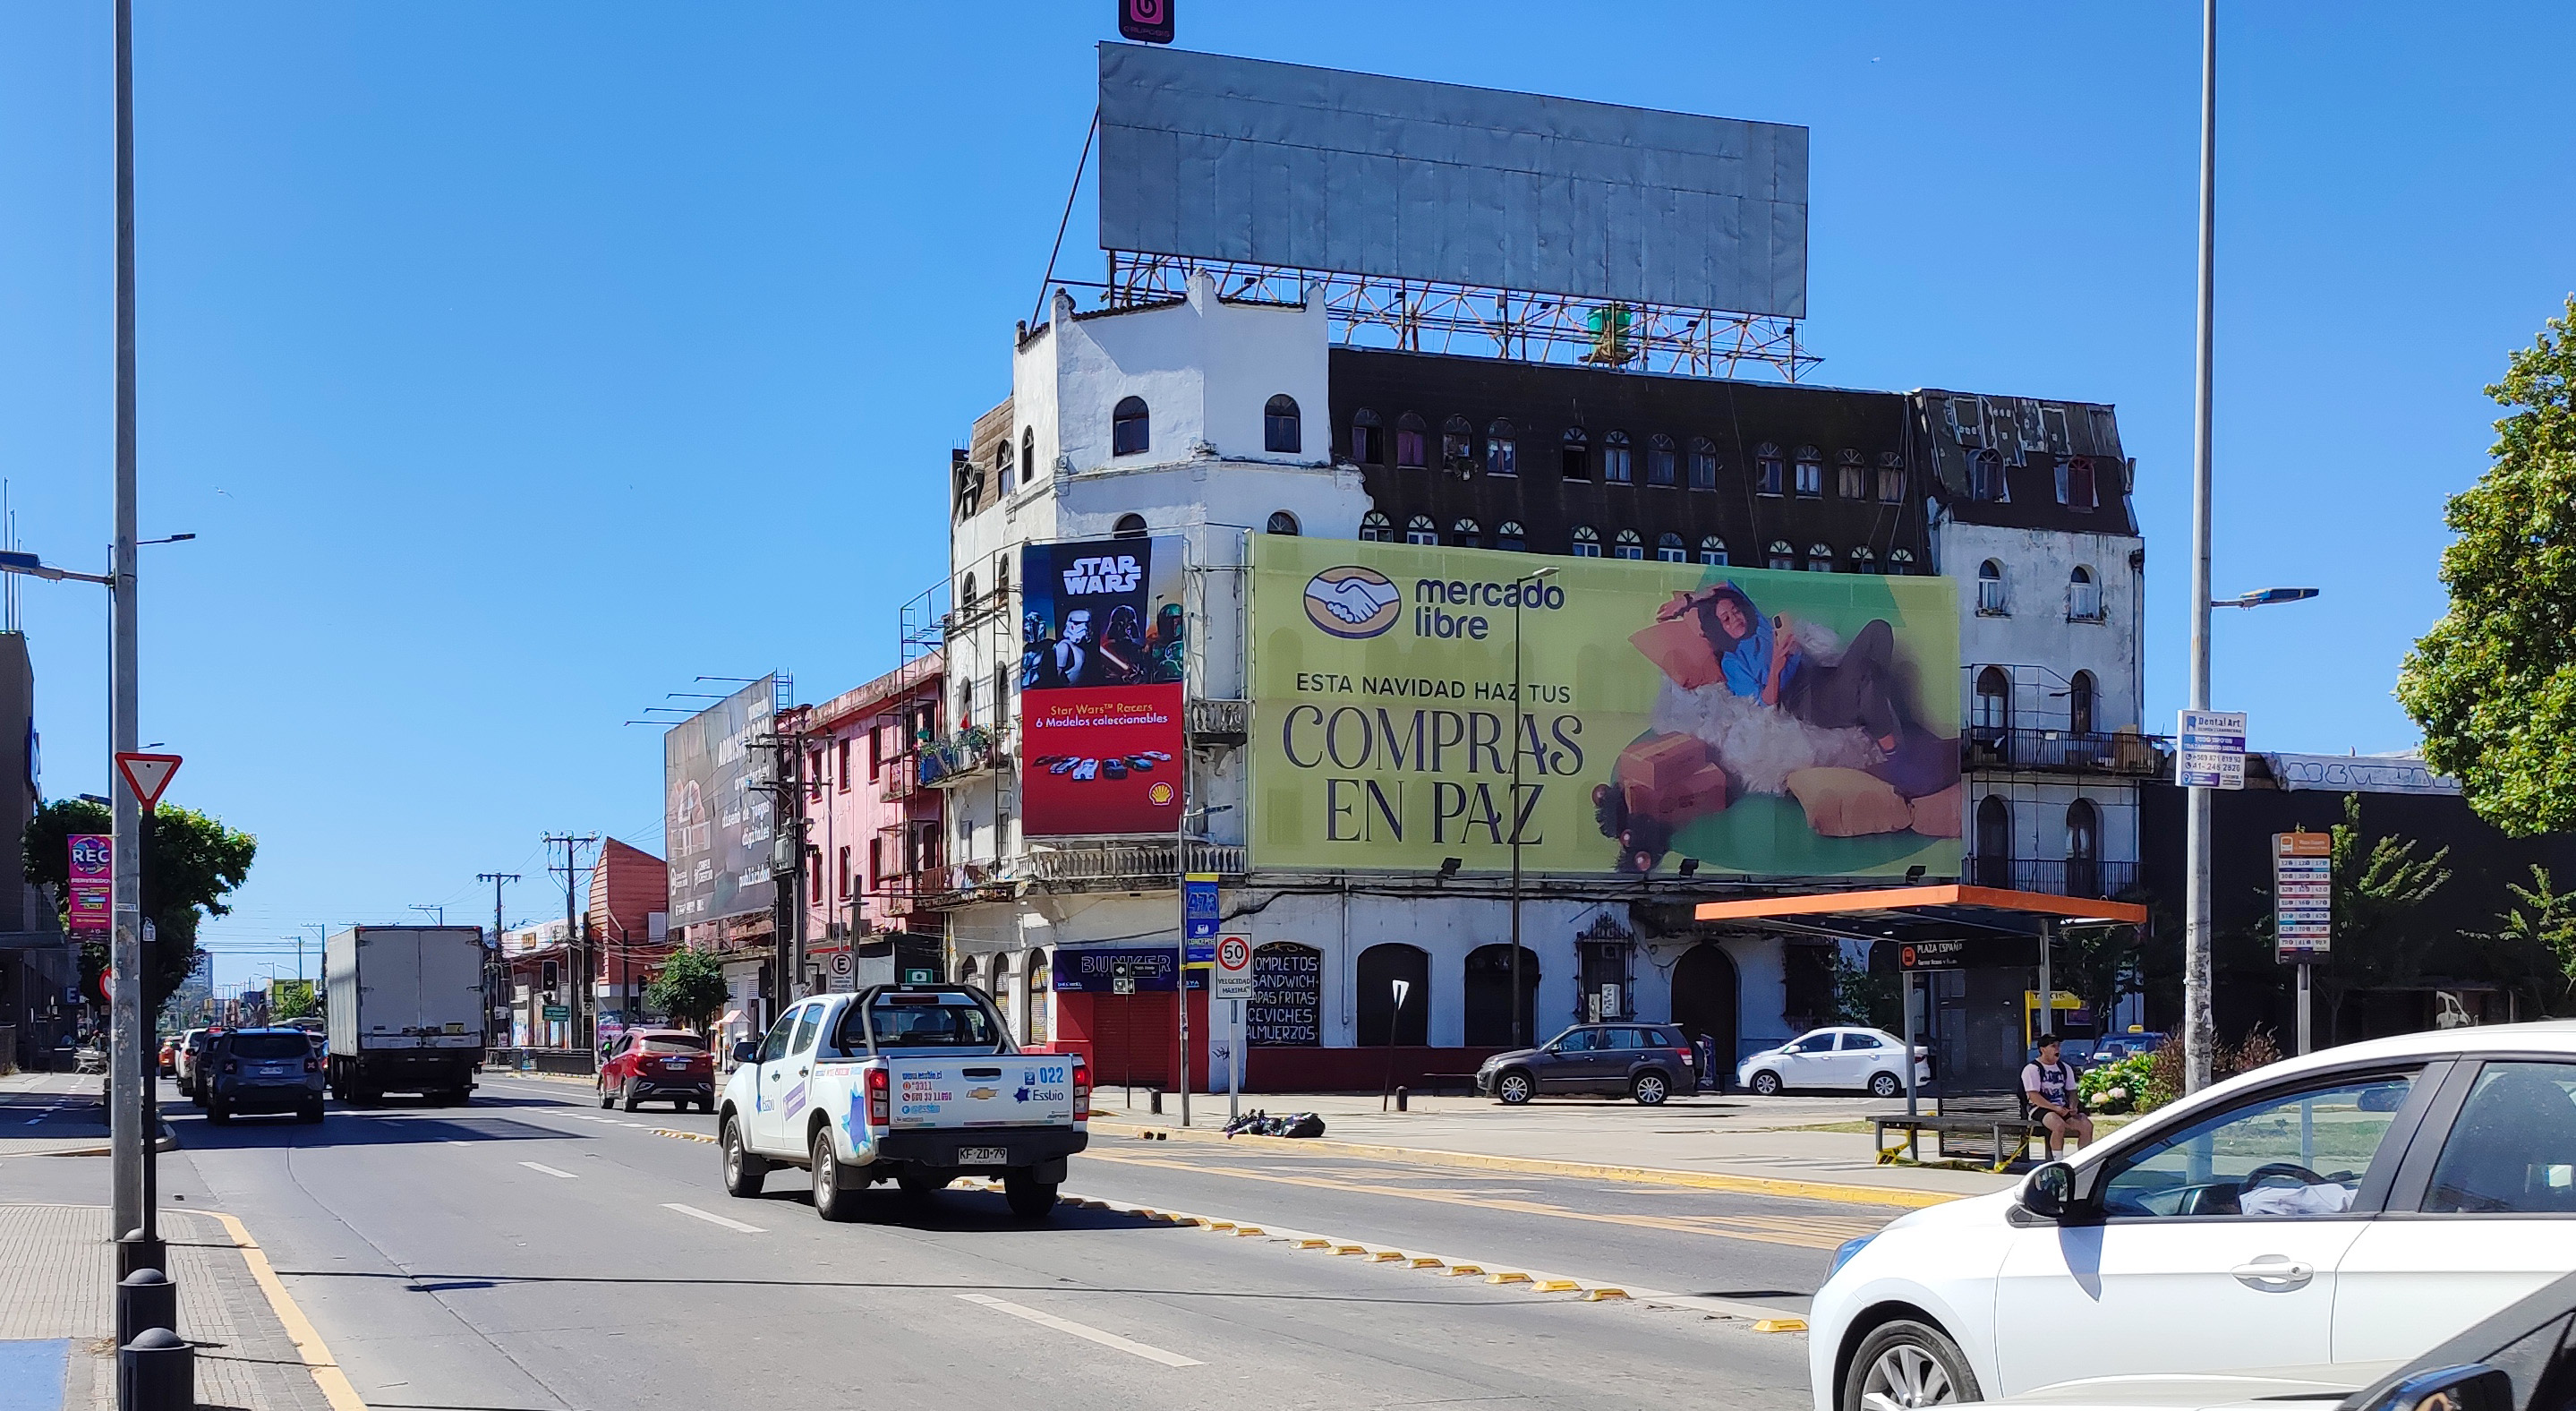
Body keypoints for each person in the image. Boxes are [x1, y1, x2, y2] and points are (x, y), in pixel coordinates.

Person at [2023, 1036, 2093, 1159]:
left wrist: (2073, 1106)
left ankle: (2084, 1158)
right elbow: (2034, 1096)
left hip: (2062, 1107)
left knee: (2086, 1125)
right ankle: (2058, 1160)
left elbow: (2072, 1091)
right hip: (2040, 1108)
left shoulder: (2065, 1068)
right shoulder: (2032, 1069)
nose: (2057, 1049)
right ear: (2043, 1049)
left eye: (2058, 1046)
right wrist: (2054, 1108)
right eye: (2053, 1046)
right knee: (2058, 1125)